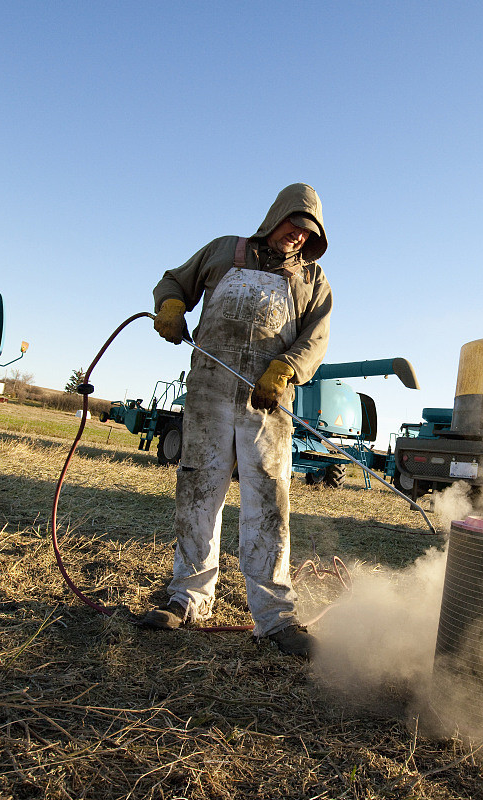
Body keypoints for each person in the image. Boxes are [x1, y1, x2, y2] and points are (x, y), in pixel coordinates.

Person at [141, 183, 332, 658]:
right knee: (198, 490)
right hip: (208, 393)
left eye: (308, 233)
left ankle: (274, 618)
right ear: (275, 218)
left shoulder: (313, 281)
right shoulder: (224, 251)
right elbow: (173, 281)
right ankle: (186, 598)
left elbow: (316, 338)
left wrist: (287, 367)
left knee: (267, 501)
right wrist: (170, 307)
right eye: (293, 225)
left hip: (266, 403)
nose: (298, 237)